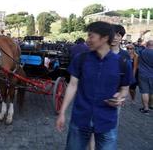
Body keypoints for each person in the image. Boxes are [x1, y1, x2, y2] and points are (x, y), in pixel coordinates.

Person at [56, 21, 132, 150]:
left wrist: (120, 97)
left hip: (107, 122)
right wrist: (62, 112)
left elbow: (125, 89)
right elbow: (72, 85)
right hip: (80, 120)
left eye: (91, 36)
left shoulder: (122, 62)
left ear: (105, 38)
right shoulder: (81, 59)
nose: (87, 40)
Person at [138, 40, 153, 113]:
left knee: (144, 91)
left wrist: (143, 45)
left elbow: (139, 47)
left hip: (142, 74)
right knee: (152, 92)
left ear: (147, 45)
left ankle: (146, 108)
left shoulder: (142, 51)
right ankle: (151, 105)